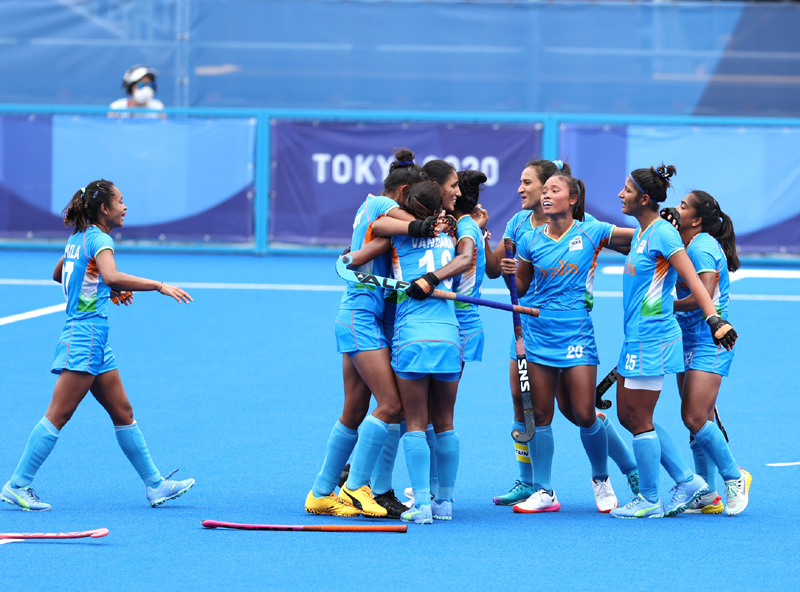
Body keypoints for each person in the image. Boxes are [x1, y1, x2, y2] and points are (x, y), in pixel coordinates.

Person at [1, 180, 195, 511]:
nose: (125, 207)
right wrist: (158, 285)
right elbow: (111, 275)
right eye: (120, 201)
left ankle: (155, 485)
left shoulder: (78, 238)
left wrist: (103, 289)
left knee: (123, 412)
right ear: (105, 209)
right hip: (85, 336)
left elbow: (61, 273)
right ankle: (17, 484)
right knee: (58, 414)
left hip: (94, 339)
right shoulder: (101, 240)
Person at [489, 159, 639, 506]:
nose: (543, 195)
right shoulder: (527, 235)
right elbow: (520, 287)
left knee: (583, 413)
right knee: (538, 414)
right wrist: (509, 273)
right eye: (543, 191)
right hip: (536, 332)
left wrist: (670, 230)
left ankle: (605, 479)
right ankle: (542, 489)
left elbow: (641, 240)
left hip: (575, 332)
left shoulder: (591, 230)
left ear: (572, 198)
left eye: (551, 190)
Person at [609, 165, 738, 519]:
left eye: (627, 190)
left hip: (653, 338)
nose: (620, 194)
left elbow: (695, 283)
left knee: (639, 417)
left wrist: (714, 319)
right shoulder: (644, 232)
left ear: (643, 199)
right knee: (628, 415)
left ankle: (651, 498)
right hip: (636, 336)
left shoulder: (663, 233)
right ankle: (688, 481)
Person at [304, 149, 427, 520]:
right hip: (360, 318)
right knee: (392, 404)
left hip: (360, 315)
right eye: (413, 201)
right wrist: (431, 224)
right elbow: (403, 226)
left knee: (355, 410)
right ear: (403, 192)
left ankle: (320, 493)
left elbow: (376, 244)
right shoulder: (382, 206)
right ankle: (357, 486)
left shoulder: (369, 206)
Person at [673, 190, 751, 515]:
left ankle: (735, 477)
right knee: (698, 419)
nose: (676, 209)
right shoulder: (686, 244)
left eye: (683, 206)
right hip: (688, 338)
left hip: (711, 340)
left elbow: (702, 295)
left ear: (696, 220)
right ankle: (706, 492)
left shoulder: (702, 246)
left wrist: (664, 306)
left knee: (693, 416)